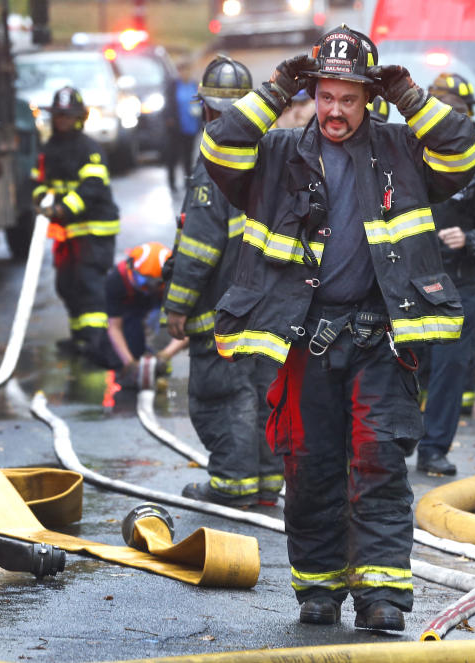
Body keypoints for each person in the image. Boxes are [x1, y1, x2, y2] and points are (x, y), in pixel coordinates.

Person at [199, 24, 475, 631]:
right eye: (325, 95)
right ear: (313, 94)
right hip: (306, 340)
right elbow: (219, 148)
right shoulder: (275, 156)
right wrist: (275, 89)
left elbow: (462, 155)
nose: (334, 110)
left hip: (381, 337)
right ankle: (319, 591)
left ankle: (381, 597)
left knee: (379, 460)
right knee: (309, 466)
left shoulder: (403, 149)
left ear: (368, 100)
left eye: (348, 98)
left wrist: (410, 96)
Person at [163, 55, 284, 508]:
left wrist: (177, 305)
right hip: (271, 305)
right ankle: (266, 485)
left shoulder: (214, 158)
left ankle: (233, 485)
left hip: (222, 306)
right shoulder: (276, 152)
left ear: (208, 110)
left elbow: (199, 244)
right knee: (263, 391)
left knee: (222, 394)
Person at [414, 76, 475, 475]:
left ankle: (434, 449)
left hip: (458, 283)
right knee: (407, 366)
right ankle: (394, 444)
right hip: (409, 282)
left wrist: (468, 239)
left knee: (451, 370)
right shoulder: (405, 160)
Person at [426, 72, 475, 415]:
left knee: (454, 358)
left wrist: (470, 241)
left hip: (461, 273)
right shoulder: (410, 150)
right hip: (416, 275)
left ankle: (453, 414)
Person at [32, 86, 120, 362]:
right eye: (59, 116)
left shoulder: (89, 149)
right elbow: (37, 184)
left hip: (94, 232)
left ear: (79, 118)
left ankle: (96, 344)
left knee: (89, 286)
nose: (62, 121)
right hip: (68, 233)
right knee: (67, 285)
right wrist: (42, 203)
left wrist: (61, 209)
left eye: (68, 116)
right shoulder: (49, 149)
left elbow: (92, 188)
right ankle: (80, 338)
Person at [99, 241, 186, 382]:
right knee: (123, 337)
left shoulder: (178, 283)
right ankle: (130, 368)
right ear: (130, 268)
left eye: (155, 283)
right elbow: (114, 327)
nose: (148, 288)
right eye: (143, 281)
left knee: (166, 325)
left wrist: (166, 355)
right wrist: (130, 363)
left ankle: (160, 368)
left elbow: (189, 326)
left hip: (162, 304)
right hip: (131, 308)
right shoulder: (117, 279)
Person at [165, 59, 201, 192]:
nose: (185, 73)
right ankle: (172, 182)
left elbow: (201, 101)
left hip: (191, 125)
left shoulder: (194, 85)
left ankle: (188, 181)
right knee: (173, 155)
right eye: (182, 71)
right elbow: (169, 104)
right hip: (176, 127)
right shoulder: (173, 86)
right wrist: (169, 119)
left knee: (188, 156)